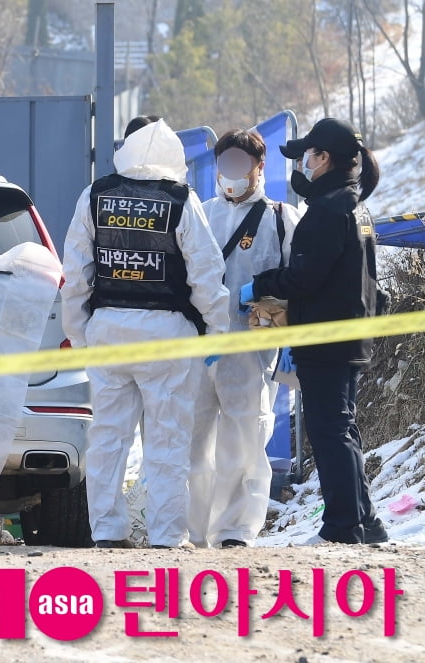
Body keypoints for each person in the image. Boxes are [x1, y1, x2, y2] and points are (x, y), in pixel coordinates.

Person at [61, 116, 230, 549]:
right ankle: (167, 535)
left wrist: (78, 333)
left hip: (108, 330)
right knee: (168, 442)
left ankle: (107, 532)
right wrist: (216, 330)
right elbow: (206, 273)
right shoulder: (180, 199)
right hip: (167, 335)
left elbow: (76, 271)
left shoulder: (95, 195)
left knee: (107, 439)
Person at [241, 117, 386, 545]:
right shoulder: (354, 206)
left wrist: (261, 285)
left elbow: (305, 277)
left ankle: (342, 528)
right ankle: (366, 522)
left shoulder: (327, 210)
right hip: (350, 335)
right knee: (343, 428)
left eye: (307, 156)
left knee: (329, 432)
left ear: (324, 158)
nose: (303, 164)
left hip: (325, 337)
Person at [189, 129, 300, 549]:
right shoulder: (199, 214)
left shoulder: (281, 218)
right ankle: (191, 529)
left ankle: (236, 529)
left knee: (245, 439)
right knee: (193, 441)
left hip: (252, 348)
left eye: (239, 164)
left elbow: (298, 280)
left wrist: (291, 338)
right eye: (224, 164)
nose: (230, 172)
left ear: (259, 168)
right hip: (199, 345)